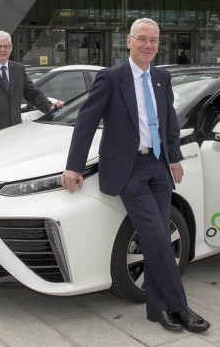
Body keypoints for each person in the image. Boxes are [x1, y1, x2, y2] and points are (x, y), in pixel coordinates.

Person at [60, 18, 210, 334]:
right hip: (129, 170)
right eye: (142, 39)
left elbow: (169, 120)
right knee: (157, 236)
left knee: (156, 238)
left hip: (158, 164)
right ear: (129, 42)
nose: (148, 45)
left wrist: (174, 156)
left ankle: (157, 309)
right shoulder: (111, 78)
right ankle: (180, 306)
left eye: (153, 40)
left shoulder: (162, 78)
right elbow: (86, 122)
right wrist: (73, 165)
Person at [0, 30, 64, 139]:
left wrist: (50, 106)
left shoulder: (18, 69)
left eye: (6, 46)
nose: (3, 50)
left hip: (15, 132)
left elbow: (33, 94)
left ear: (11, 48)